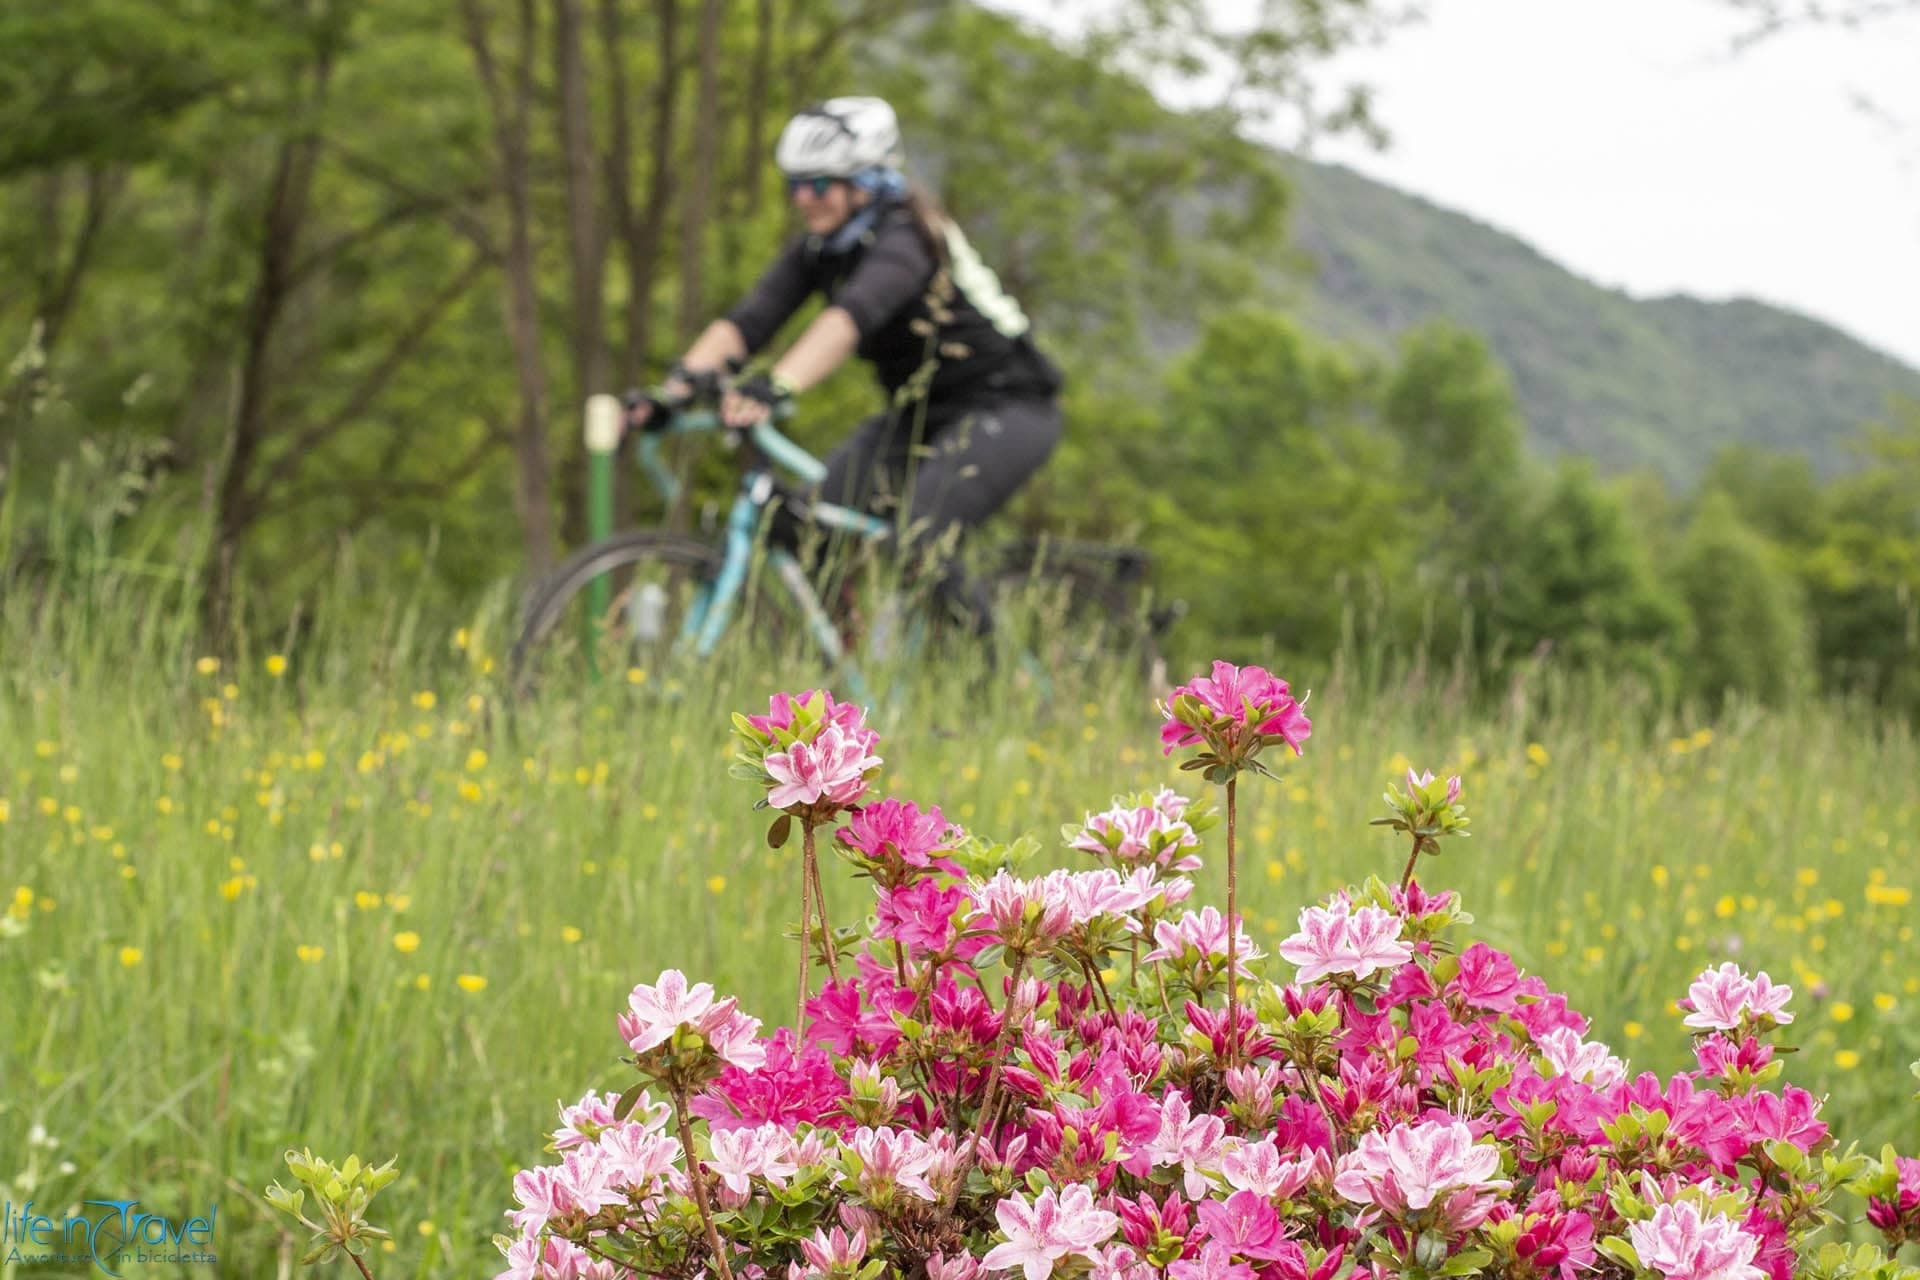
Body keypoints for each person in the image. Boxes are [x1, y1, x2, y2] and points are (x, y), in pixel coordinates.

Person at [635, 95, 1064, 638]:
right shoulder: (822, 248)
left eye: (817, 184)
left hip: (1009, 405)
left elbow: (849, 319)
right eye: (794, 185)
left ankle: (997, 687)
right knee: (810, 528)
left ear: (864, 180)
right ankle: (853, 674)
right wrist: (669, 391)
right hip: (919, 414)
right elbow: (746, 324)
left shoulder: (908, 236)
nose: (802, 200)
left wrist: (776, 385)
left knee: (920, 538)